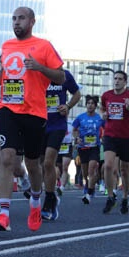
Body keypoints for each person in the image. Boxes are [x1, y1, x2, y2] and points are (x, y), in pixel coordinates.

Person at [0, 7, 63, 233]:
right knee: (7, 157)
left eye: (21, 18)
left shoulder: (44, 46)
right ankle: (4, 214)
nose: (16, 22)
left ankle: (35, 201)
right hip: (8, 108)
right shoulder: (7, 46)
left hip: (34, 112)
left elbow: (60, 76)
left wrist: (40, 67)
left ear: (32, 21)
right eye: (13, 18)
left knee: (33, 164)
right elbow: (5, 72)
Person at [100, 71, 129, 215]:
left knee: (125, 170)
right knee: (108, 166)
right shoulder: (106, 95)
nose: (116, 81)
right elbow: (103, 110)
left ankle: (124, 197)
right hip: (110, 136)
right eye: (115, 78)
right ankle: (110, 196)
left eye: (120, 79)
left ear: (125, 82)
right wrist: (104, 115)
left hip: (126, 137)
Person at [41, 69, 80, 220]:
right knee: (36, 163)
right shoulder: (38, 73)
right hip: (39, 124)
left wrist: (68, 106)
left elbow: (77, 93)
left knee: (48, 162)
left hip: (57, 125)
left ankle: (49, 200)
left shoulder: (64, 75)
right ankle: (48, 196)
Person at [71, 95, 104, 204]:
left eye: (92, 103)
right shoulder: (80, 117)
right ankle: (88, 185)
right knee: (85, 172)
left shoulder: (99, 118)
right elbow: (74, 130)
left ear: (95, 106)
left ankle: (89, 193)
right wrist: (77, 138)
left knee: (91, 170)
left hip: (94, 147)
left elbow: (106, 128)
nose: (90, 105)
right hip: (83, 147)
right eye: (88, 103)